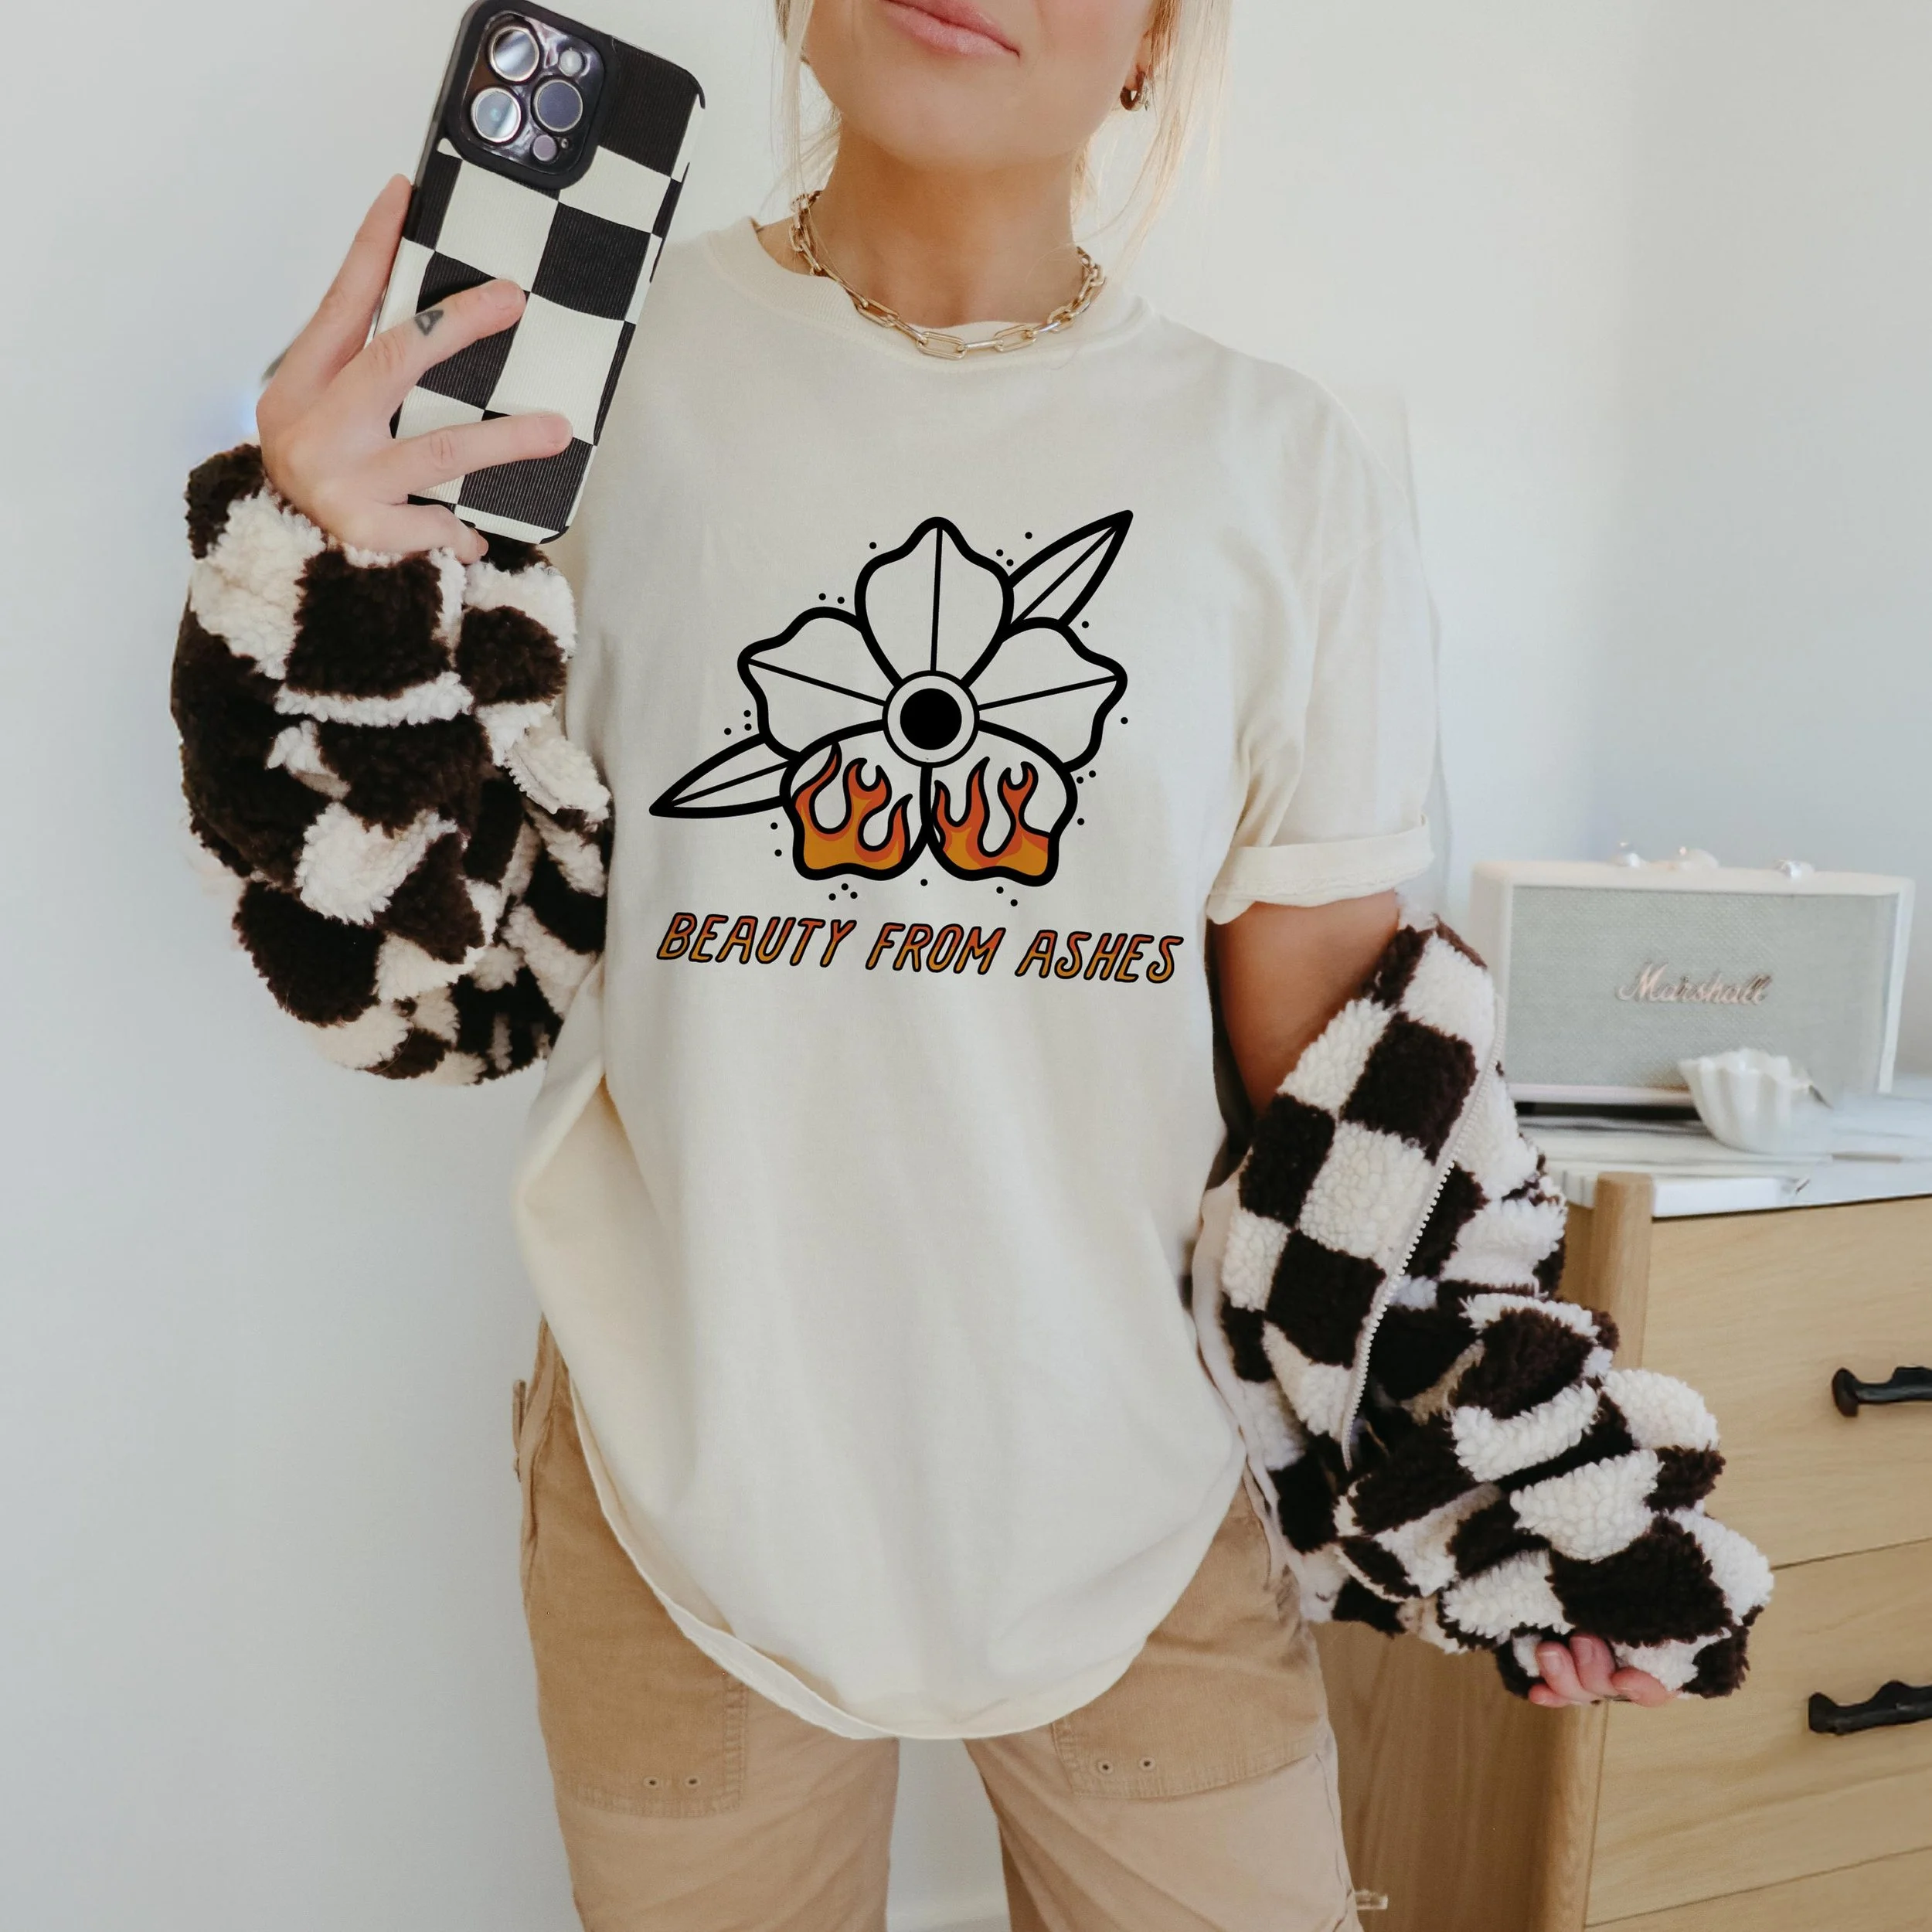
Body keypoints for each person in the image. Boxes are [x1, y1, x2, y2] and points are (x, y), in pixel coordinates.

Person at [172, 3, 1747, 1927]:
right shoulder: (561, 392)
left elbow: (1335, 1087)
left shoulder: (1275, 465)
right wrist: (323, 594)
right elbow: (435, 989)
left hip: (1134, 1498)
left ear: (1157, 43)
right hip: (683, 1484)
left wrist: (1510, 1491)